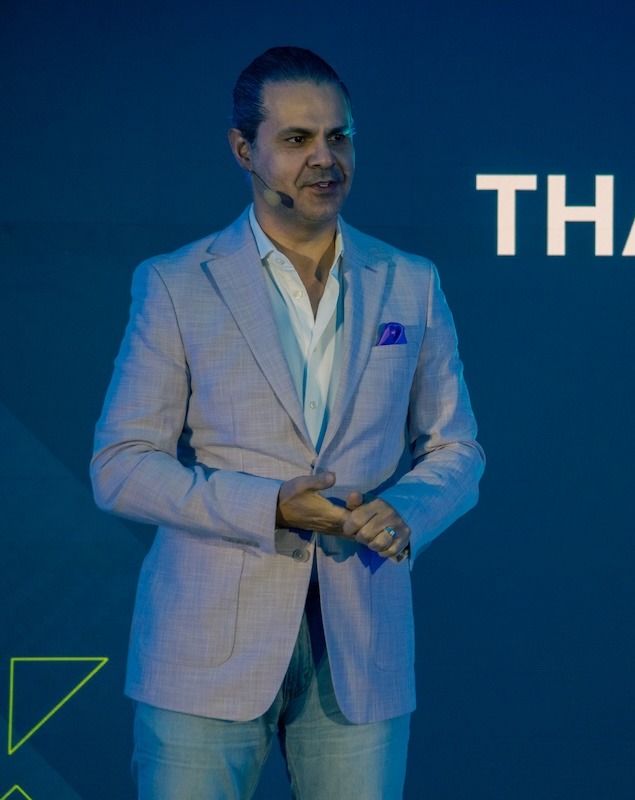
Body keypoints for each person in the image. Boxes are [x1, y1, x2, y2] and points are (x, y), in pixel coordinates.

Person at [90, 46, 484, 799]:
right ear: (244, 150)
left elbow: (456, 447)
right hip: (204, 645)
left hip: (359, 647)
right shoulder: (176, 283)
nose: (324, 158)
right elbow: (122, 464)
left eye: (339, 137)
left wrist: (404, 511)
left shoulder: (410, 281)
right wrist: (269, 506)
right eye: (297, 139)